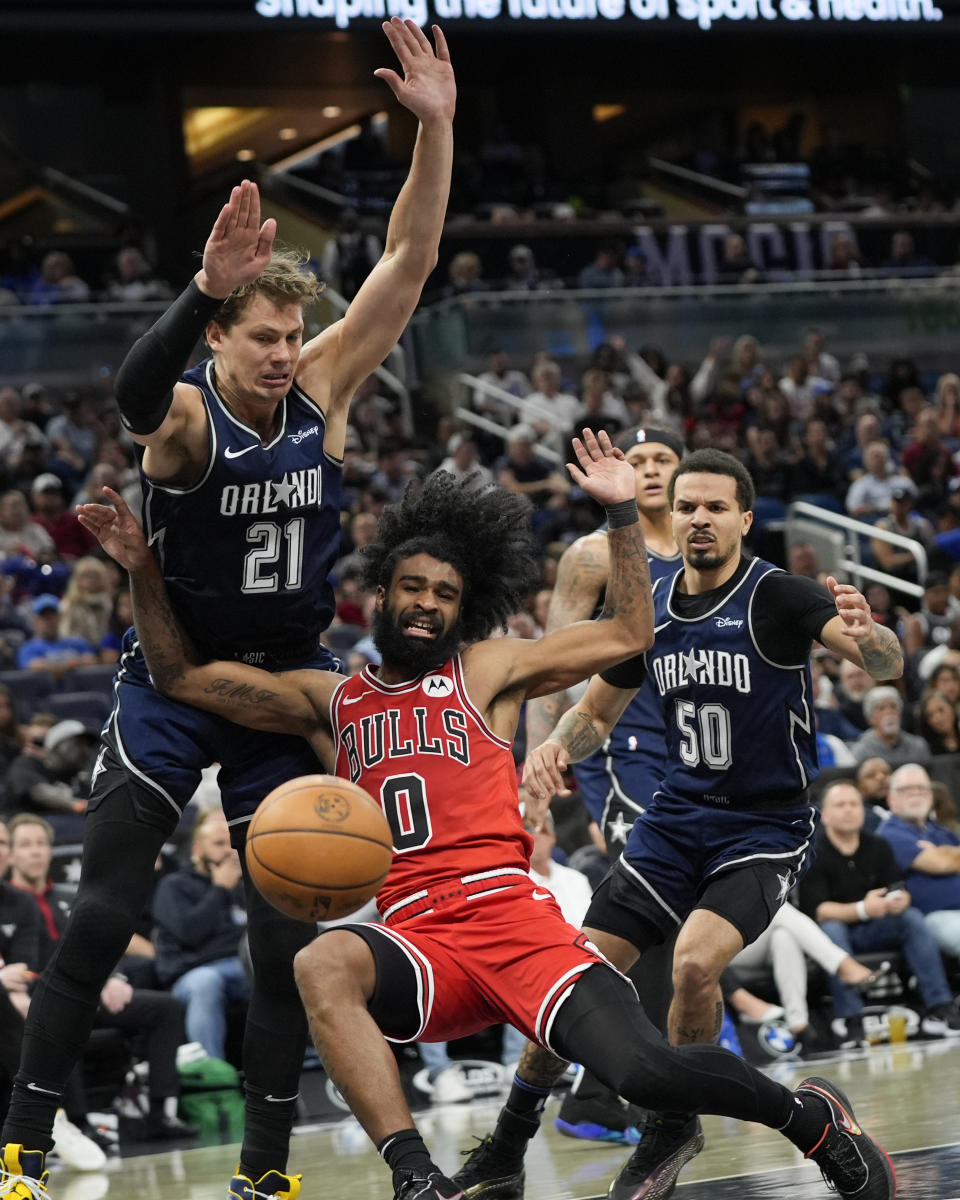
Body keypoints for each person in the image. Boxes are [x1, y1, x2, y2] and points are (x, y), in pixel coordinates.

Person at [77, 442, 894, 1200]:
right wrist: (144, 568)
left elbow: (627, 633)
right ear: (382, 594)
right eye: (414, 588)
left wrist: (618, 513)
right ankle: (416, 1178)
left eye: (446, 594)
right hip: (420, 940)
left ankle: (810, 1120)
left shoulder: (489, 669)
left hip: (510, 919)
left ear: (465, 609)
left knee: (646, 1073)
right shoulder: (331, 701)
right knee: (322, 963)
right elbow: (180, 675)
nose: (428, 605)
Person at [0, 20, 456, 1200]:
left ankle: (264, 1170)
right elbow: (129, 393)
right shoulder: (192, 414)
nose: (283, 353)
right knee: (102, 909)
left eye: (293, 336)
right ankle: (22, 1148)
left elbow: (406, 260)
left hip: (286, 677)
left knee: (287, 931)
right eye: (262, 336)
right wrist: (194, 286)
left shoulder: (320, 388)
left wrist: (436, 129)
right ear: (219, 334)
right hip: (172, 674)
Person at [470, 447, 904, 1200]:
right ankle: (508, 1141)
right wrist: (551, 749)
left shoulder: (780, 595)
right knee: (571, 974)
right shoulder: (653, 604)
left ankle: (673, 1124)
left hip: (763, 829)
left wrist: (871, 635)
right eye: (686, 506)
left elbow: (886, 663)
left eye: (713, 506)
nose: (698, 518)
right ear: (670, 517)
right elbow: (598, 712)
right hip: (675, 819)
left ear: (743, 517)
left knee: (696, 965)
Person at [6, 814, 197, 1147]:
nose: (36, 852)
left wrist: (112, 975)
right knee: (59, 1013)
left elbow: (101, 943)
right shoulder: (13, 904)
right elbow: (23, 966)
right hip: (40, 994)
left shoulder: (71, 896)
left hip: (88, 990)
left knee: (165, 1008)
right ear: (12, 853)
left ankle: (158, 1113)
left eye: (41, 844)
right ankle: (78, 1122)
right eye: (26, 845)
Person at [798, 779, 960, 1042]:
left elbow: (899, 888)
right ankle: (851, 1019)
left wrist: (900, 900)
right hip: (836, 934)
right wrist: (863, 909)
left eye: (854, 804)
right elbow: (818, 911)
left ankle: (939, 1007)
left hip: (876, 928)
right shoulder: (813, 851)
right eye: (841, 805)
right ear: (824, 815)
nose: (849, 810)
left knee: (911, 917)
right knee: (831, 928)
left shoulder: (878, 845)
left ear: (864, 811)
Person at [150, 809, 250, 1062]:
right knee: (205, 982)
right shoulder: (174, 886)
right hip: (191, 974)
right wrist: (220, 889)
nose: (228, 851)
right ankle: (211, 1076)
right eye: (218, 844)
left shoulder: (247, 886)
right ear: (197, 850)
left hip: (243, 968)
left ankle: (306, 1062)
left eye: (232, 844)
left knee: (287, 970)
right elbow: (190, 934)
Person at [877, 762, 960, 960]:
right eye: (906, 789)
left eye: (922, 789)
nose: (916, 793)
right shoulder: (889, 833)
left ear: (931, 797)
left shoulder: (941, 832)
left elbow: (947, 860)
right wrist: (946, 856)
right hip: (935, 915)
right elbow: (940, 864)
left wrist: (943, 852)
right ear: (891, 798)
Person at [851, 687, 932, 767]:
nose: (889, 712)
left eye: (893, 706)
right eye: (881, 708)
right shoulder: (861, 751)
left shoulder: (918, 747)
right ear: (870, 719)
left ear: (900, 714)